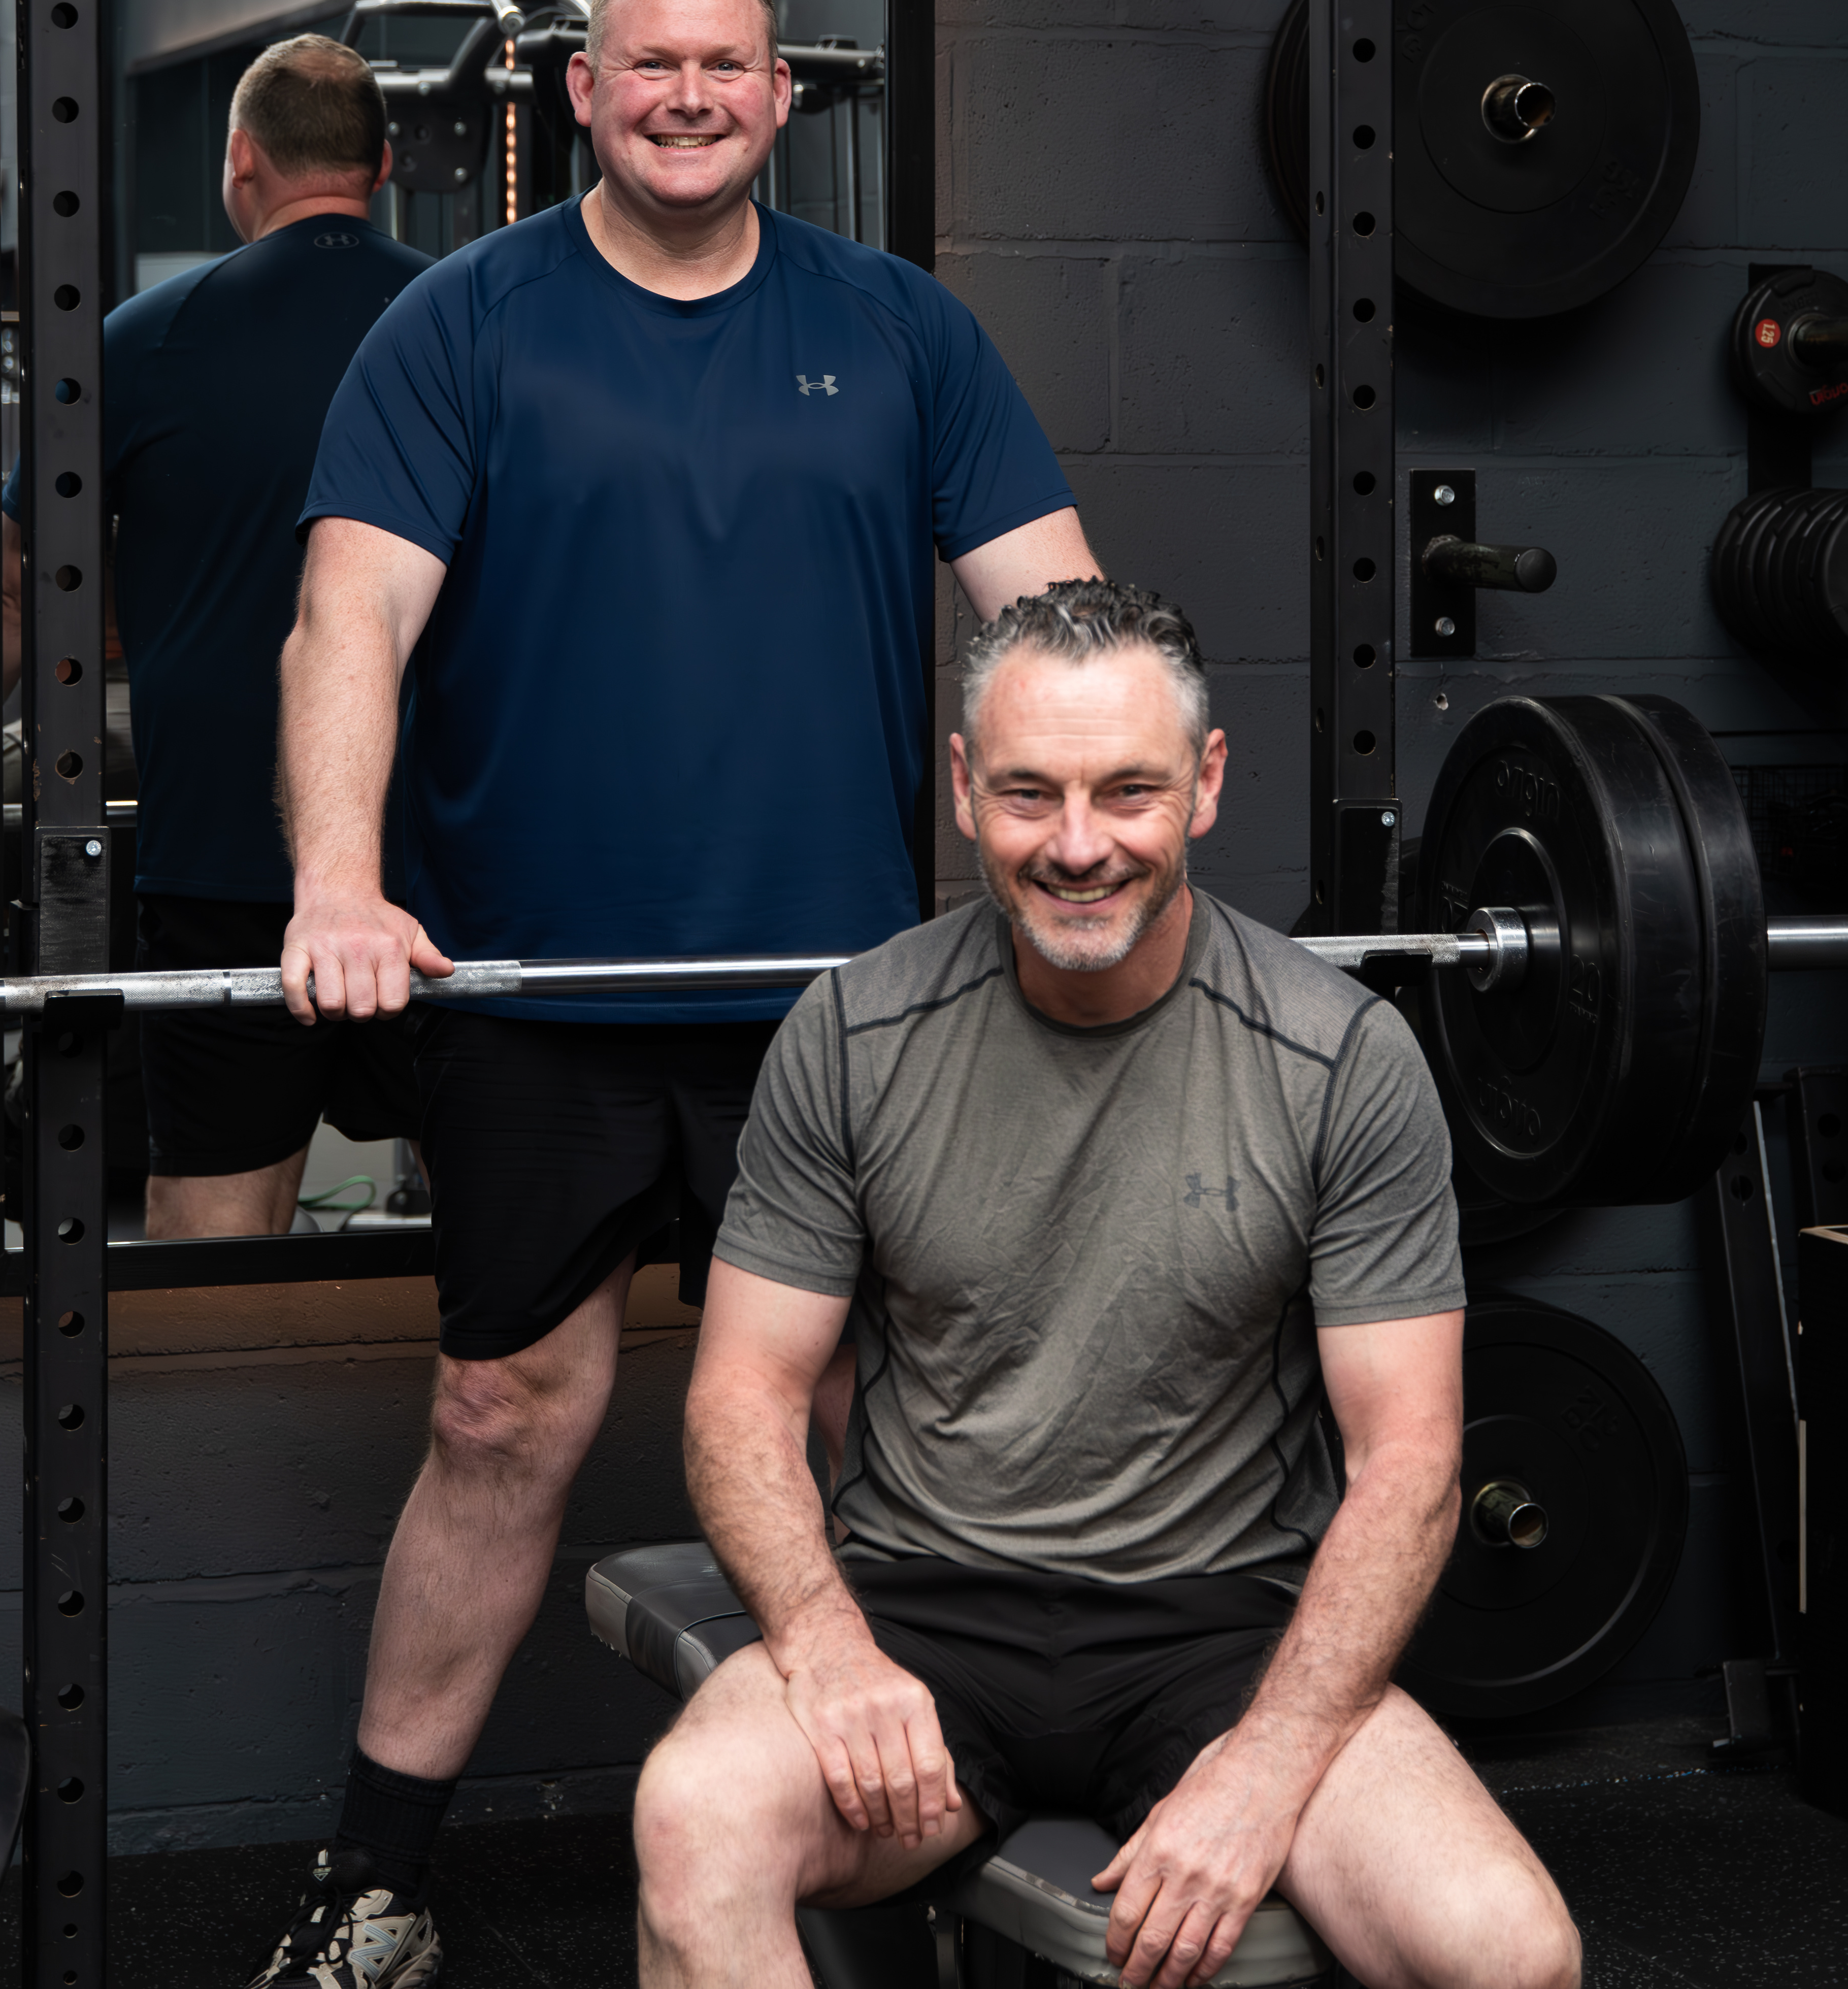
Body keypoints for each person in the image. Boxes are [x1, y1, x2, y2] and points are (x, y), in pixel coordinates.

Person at [243, 0, 1104, 1989]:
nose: (691, 96)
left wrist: (1105, 830)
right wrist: (339, 885)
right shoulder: (462, 326)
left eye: (726, 66)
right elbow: (341, 623)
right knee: (501, 1406)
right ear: (584, 98)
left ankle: (870, 1854)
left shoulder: (903, 333)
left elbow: (1059, 618)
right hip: (536, 1000)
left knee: (852, 1431)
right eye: (651, 68)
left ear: (780, 95)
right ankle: (371, 1882)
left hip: (833, 1015)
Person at [632, 583, 1583, 1989]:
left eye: (1124, 790)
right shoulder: (853, 1034)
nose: (1077, 846)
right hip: (921, 1613)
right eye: (1027, 793)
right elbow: (739, 1401)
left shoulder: (1337, 1060)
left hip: (1224, 1633)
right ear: (963, 787)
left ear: (1201, 783)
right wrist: (826, 1649)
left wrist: (1265, 1762)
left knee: (1510, 1955)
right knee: (694, 1819)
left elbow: (1410, 1463)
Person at [2, 32, 430, 1240]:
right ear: (383, 163)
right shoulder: (476, 320)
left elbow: (22, 582)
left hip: (226, 866)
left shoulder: (140, 339)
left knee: (214, 1243)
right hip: (450, 867)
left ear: (240, 158)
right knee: (520, 1232)